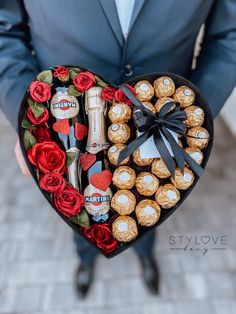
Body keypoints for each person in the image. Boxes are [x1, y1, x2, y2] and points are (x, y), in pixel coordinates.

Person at [0, 0, 236, 299]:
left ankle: (144, 250)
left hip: (162, 129)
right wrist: (30, 123)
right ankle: (85, 257)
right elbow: (5, 32)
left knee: (149, 203)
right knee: (80, 208)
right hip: (70, 131)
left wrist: (194, 120)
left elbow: (229, 36)